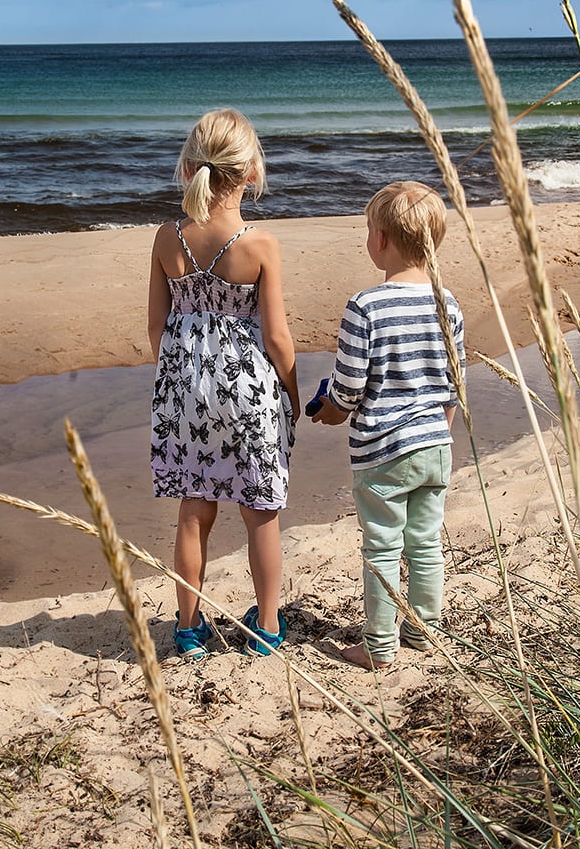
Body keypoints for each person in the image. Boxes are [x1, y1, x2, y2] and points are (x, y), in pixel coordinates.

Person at [149, 108, 301, 660]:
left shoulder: (168, 237)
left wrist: (183, 378)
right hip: (249, 392)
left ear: (189, 167)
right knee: (261, 511)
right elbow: (278, 336)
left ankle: (188, 627)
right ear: (252, 174)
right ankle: (265, 626)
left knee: (195, 509)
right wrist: (290, 387)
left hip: (185, 389)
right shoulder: (259, 245)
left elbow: (156, 327)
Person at [310, 181, 464, 670]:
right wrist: (442, 431)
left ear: (379, 240)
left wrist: (330, 410)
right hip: (435, 445)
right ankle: (424, 633)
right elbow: (454, 382)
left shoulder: (367, 306)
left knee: (381, 546)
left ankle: (379, 646)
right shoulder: (449, 303)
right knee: (426, 543)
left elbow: (349, 387)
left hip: (383, 450)